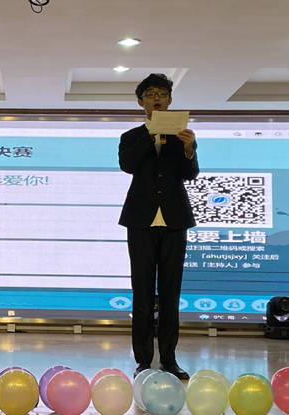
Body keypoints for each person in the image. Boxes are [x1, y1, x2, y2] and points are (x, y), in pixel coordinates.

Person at [118, 74, 198, 380]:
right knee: (141, 293)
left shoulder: (183, 136)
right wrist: (151, 133)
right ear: (141, 102)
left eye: (162, 94)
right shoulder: (131, 136)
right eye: (150, 94)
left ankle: (169, 360)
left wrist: (189, 149)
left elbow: (190, 174)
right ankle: (143, 360)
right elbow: (128, 165)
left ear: (170, 100)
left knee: (170, 293)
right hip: (140, 221)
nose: (157, 98)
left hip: (175, 221)